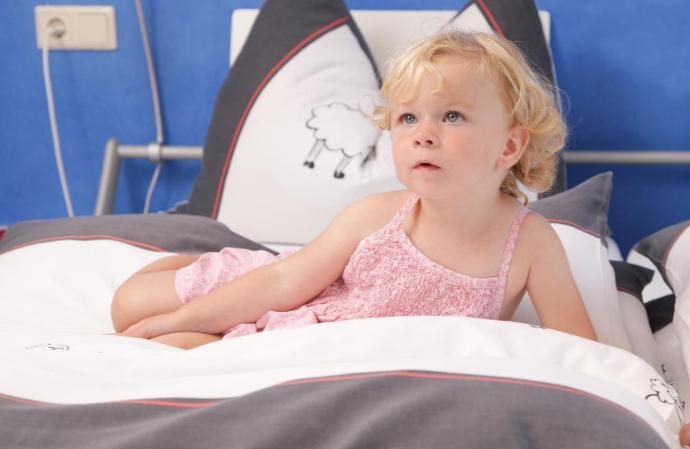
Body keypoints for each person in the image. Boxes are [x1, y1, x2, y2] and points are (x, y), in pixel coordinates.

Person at [111, 30, 596, 350]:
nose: (423, 134)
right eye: (408, 118)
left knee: (173, 350)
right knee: (130, 306)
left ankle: (212, 306)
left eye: (452, 116)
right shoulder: (377, 216)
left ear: (509, 145)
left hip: (326, 349)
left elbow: (582, 349)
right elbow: (282, 284)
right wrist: (179, 319)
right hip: (300, 304)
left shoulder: (528, 241)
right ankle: (211, 259)